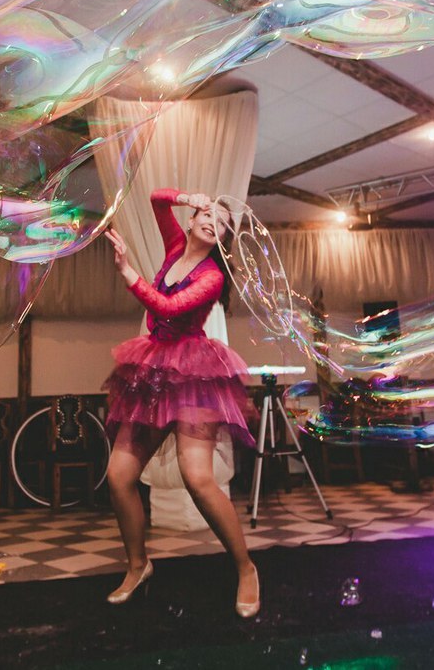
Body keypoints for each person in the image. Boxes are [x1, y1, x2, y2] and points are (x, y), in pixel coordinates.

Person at [101, 188, 259, 617]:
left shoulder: (213, 277)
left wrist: (128, 272)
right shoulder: (174, 247)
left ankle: (246, 568)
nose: (212, 221)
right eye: (206, 214)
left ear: (223, 238)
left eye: (221, 222)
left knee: (198, 478)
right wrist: (188, 196)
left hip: (194, 377)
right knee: (119, 476)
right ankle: (139, 566)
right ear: (191, 220)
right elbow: (156, 200)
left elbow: (168, 308)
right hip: (153, 371)